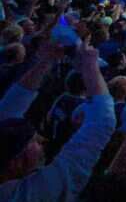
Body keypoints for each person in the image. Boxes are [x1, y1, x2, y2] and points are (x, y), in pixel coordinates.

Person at [0, 42, 116, 202]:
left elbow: (10, 108)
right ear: (15, 163)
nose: (42, 140)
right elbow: (102, 122)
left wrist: (46, 60)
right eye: (33, 141)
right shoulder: (34, 194)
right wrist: (90, 67)